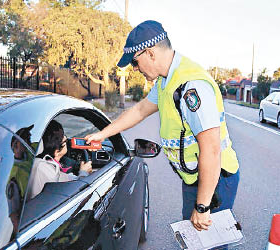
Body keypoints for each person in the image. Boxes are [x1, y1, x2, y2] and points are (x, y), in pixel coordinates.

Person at [86, 20, 240, 232]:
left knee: (208, 241)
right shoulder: (165, 81)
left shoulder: (190, 86)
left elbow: (212, 150)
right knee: (194, 237)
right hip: (195, 176)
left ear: (150, 53)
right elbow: (139, 111)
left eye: (135, 62)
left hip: (215, 179)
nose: (135, 68)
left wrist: (203, 206)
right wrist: (102, 134)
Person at [28, 120, 92, 200]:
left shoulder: (31, 162)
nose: (66, 137)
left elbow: (64, 178)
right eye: (64, 142)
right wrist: (83, 173)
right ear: (57, 152)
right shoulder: (46, 171)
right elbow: (79, 196)